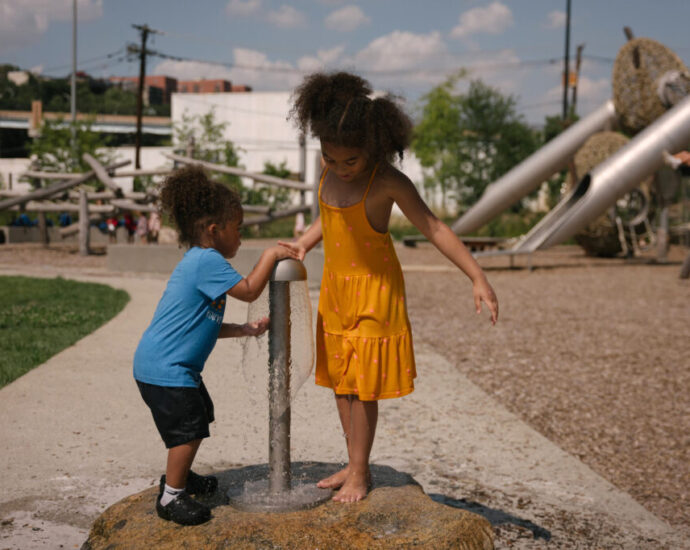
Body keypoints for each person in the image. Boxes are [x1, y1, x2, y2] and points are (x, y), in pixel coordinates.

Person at [279, 72, 499, 503]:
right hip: (336, 293)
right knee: (342, 383)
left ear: (375, 148)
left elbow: (434, 228)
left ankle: (360, 472)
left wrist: (477, 276)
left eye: (351, 161)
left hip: (376, 295)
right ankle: (353, 461)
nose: (340, 168)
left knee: (363, 387)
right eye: (330, 158)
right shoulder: (327, 176)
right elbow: (331, 215)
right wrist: (305, 242)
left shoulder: (388, 182)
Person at [133, 165, 299, 526]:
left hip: (166, 366)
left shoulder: (200, 262)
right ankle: (171, 495)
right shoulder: (208, 261)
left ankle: (182, 476)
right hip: (166, 369)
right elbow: (251, 289)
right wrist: (270, 255)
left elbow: (200, 324)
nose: (239, 237)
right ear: (214, 230)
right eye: (237, 229)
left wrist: (243, 329)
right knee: (189, 427)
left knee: (198, 415)